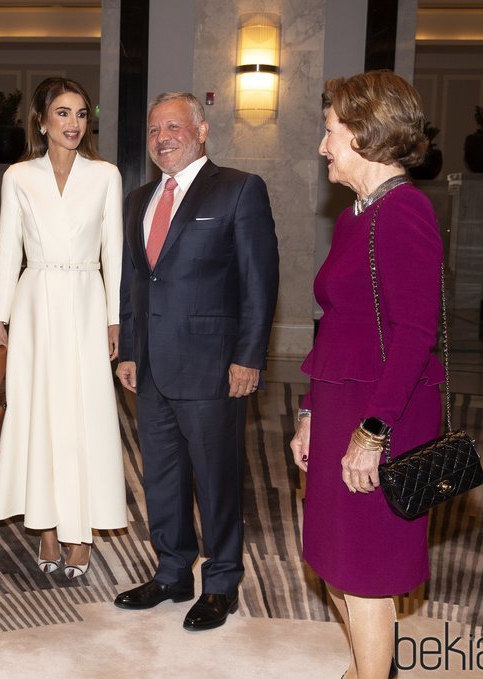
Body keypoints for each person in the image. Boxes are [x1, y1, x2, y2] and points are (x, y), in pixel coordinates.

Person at [289, 71, 445, 679]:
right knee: (335, 560)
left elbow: (413, 333)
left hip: (384, 415)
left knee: (369, 573)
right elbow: (338, 323)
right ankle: (365, 669)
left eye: (330, 132)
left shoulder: (406, 210)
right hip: (339, 409)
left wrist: (373, 431)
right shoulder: (358, 213)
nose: (324, 146)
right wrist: (308, 411)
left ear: (364, 134)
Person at [113, 92, 279, 631]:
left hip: (213, 367)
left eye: (174, 126)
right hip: (153, 368)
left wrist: (249, 357)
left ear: (201, 129)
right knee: (161, 477)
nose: (163, 137)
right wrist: (130, 351)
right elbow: (133, 281)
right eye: (155, 128)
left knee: (216, 479)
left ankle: (223, 581)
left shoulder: (238, 189)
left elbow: (260, 281)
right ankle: (171, 572)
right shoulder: (138, 197)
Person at [0, 77, 127, 580]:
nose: (73, 124)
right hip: (35, 304)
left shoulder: (106, 175)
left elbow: (115, 252)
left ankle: (80, 530)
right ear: (42, 120)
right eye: (63, 113)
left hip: (88, 301)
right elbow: (7, 251)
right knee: (39, 415)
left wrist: (115, 318)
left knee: (84, 416)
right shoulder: (19, 176)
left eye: (81, 114)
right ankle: (47, 527)